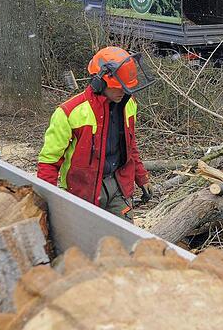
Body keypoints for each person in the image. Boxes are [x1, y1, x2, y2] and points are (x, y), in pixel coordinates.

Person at [37, 47, 152, 220]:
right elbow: (49, 162)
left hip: (119, 184)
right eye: (119, 87)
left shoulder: (129, 105)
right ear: (100, 82)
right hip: (82, 191)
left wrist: (141, 177)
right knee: (83, 243)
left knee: (124, 239)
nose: (124, 92)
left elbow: (130, 146)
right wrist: (47, 201)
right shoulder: (70, 113)